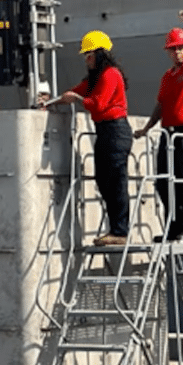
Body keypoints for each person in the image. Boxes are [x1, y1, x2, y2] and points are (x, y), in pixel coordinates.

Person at [45, 31, 132, 247]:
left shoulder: (110, 74)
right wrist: (52, 101)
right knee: (103, 179)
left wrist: (78, 99)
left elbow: (99, 103)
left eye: (89, 55)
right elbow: (74, 92)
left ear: (100, 54)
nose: (87, 59)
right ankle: (116, 229)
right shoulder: (93, 79)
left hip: (116, 130)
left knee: (115, 181)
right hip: (105, 131)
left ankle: (120, 231)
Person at [134, 9, 183, 242]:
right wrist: (147, 128)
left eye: (181, 47)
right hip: (170, 133)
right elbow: (161, 105)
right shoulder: (167, 77)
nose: (177, 52)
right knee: (166, 182)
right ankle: (173, 228)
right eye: (173, 48)